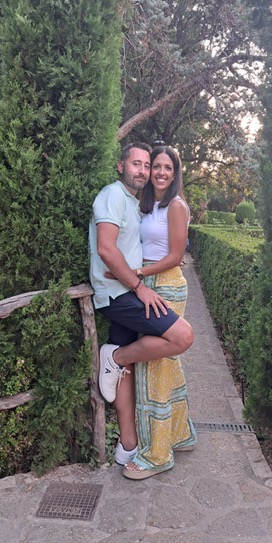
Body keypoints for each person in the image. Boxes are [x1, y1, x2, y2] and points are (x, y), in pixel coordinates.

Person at [88, 142, 194, 470]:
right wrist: (138, 285)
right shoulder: (112, 195)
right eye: (139, 164)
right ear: (121, 166)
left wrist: (140, 280)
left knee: (129, 367)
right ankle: (115, 357)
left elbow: (169, 252)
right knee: (182, 336)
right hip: (121, 293)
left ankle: (128, 445)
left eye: (148, 166)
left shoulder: (137, 203)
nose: (145, 171)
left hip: (133, 289)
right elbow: (106, 249)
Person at [122, 144, 197, 480]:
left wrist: (138, 272)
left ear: (176, 172)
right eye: (157, 167)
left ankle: (157, 453)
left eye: (168, 167)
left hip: (165, 285)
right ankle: (179, 434)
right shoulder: (147, 203)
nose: (161, 173)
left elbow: (176, 256)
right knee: (166, 362)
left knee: (155, 369)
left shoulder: (176, 205)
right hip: (149, 284)